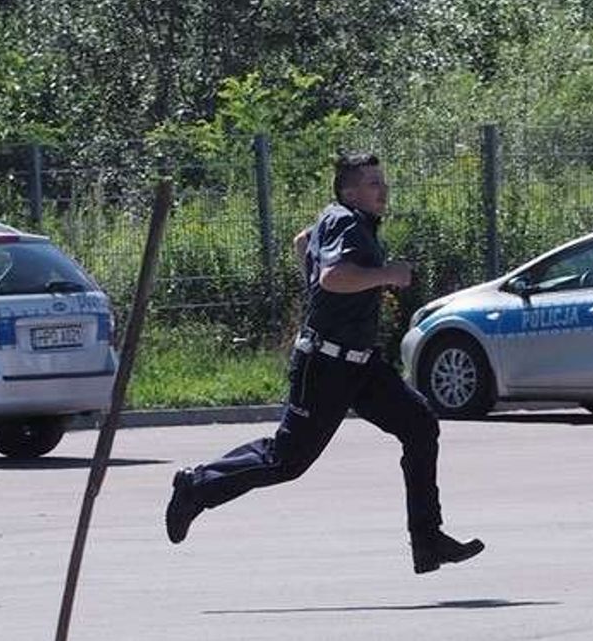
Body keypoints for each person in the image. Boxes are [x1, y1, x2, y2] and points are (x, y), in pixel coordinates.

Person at [164, 152, 484, 574]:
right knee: (287, 460)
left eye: (382, 182)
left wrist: (328, 292)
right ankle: (196, 486)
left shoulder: (340, 220)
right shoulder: (348, 221)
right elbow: (333, 277)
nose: (383, 190)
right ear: (349, 191)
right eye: (373, 183)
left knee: (420, 425)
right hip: (326, 365)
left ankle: (427, 540)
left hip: (360, 365)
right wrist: (386, 274)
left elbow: (302, 242)